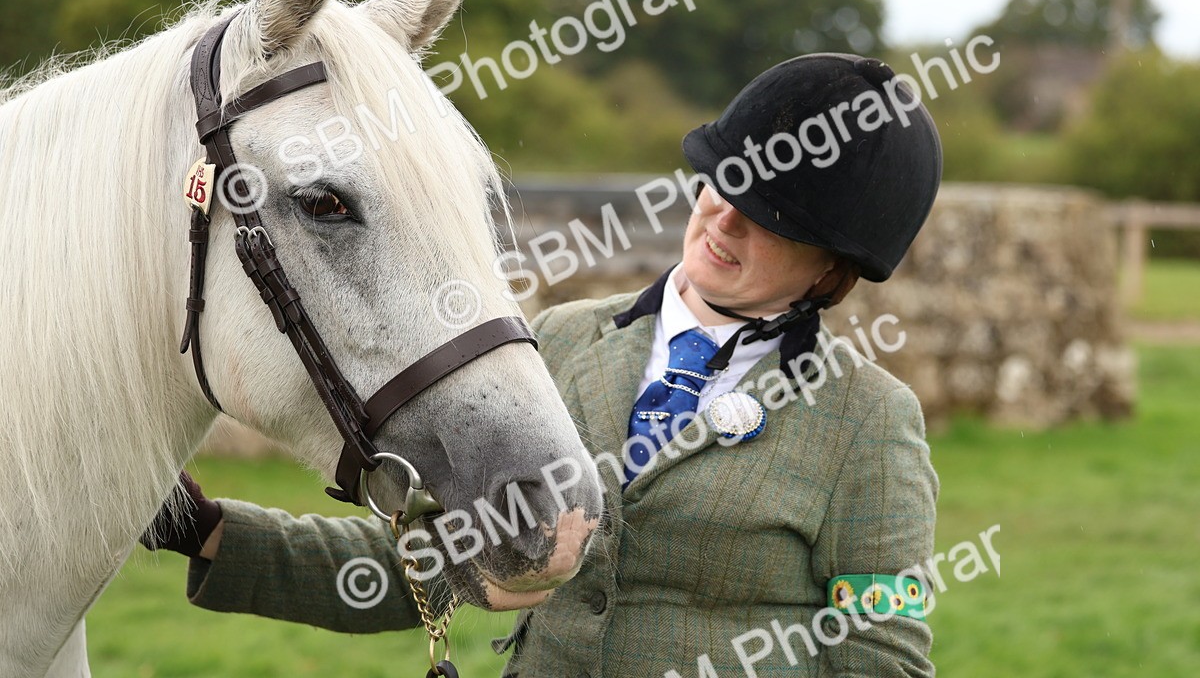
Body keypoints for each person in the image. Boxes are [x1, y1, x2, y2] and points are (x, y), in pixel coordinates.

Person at [145, 53, 942, 677]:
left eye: (768, 214)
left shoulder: (870, 421)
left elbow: (881, 655)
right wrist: (209, 534)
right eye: (723, 180)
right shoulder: (552, 341)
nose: (723, 215)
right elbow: (428, 567)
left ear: (833, 264)